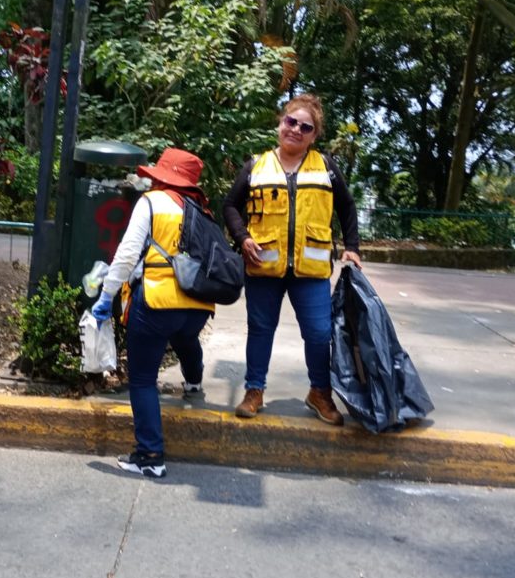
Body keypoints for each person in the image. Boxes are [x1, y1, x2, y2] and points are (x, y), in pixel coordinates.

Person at [222, 93, 361, 425]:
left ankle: (319, 393)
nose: (296, 129)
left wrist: (352, 245)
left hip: (310, 270)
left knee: (318, 332)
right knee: (260, 330)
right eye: (291, 121)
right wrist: (243, 237)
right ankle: (254, 390)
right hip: (263, 266)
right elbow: (230, 205)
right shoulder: (256, 166)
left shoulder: (326, 168)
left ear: (314, 136)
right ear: (279, 123)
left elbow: (347, 207)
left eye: (306, 127)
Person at [91, 148, 213, 478]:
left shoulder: (151, 203)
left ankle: (149, 456)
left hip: (158, 302)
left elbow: (127, 254)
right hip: (198, 304)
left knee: (143, 379)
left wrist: (106, 297)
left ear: (161, 177)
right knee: (186, 338)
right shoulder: (201, 209)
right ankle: (193, 383)